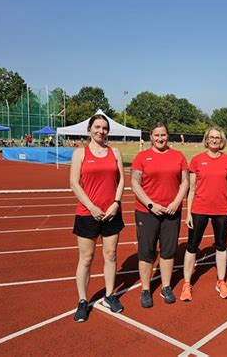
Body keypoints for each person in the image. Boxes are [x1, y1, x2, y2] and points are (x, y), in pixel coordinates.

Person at [70, 114, 126, 322]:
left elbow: (120, 181)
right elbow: (74, 183)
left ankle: (109, 295)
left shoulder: (115, 152)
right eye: (97, 127)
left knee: (110, 255)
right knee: (86, 259)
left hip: (112, 213)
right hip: (87, 214)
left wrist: (116, 203)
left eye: (104, 128)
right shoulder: (80, 153)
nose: (101, 131)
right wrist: (92, 207)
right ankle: (83, 301)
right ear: (90, 129)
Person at [131, 122, 189, 308]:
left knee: (168, 251)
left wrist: (176, 202)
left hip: (171, 211)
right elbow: (135, 182)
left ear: (168, 136)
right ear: (151, 137)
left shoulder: (178, 156)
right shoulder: (142, 157)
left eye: (163, 135)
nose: (160, 139)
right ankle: (146, 290)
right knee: (146, 251)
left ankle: (165, 286)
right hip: (147, 212)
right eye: (156, 135)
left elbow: (185, 182)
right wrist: (150, 204)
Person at [179, 127, 227, 302]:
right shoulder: (196, 160)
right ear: (206, 139)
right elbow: (192, 188)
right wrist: (188, 213)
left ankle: (221, 281)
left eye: (217, 138)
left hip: (221, 210)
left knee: (221, 246)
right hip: (199, 209)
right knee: (192, 246)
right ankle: (187, 283)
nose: (214, 140)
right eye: (211, 137)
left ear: (222, 140)